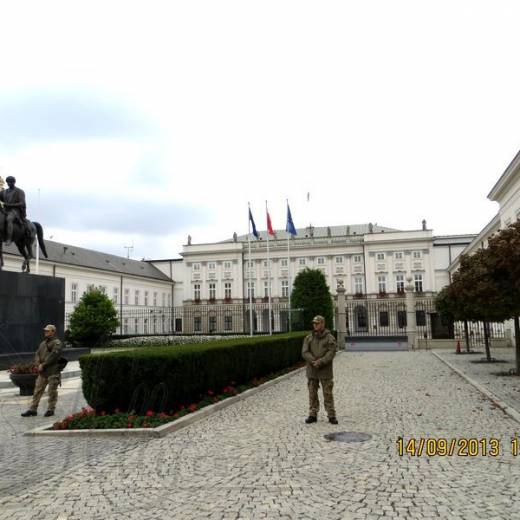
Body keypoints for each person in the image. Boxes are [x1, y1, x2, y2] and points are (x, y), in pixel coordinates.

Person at [301, 315, 338, 424]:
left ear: (322, 324)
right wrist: (313, 361)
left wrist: (321, 361)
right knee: (312, 393)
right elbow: (304, 351)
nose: (315, 325)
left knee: (327, 393)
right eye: (314, 323)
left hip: (325, 370)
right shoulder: (309, 338)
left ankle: (331, 415)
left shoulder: (329, 338)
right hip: (312, 370)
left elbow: (331, 352)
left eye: (317, 323)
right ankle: (313, 414)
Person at [21, 325, 63, 418]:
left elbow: (53, 356)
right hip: (42, 372)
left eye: (47, 331)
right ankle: (33, 409)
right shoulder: (42, 343)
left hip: (53, 371)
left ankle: (50, 409)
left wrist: (43, 365)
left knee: (52, 391)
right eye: (45, 331)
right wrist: (38, 364)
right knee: (37, 391)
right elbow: (37, 354)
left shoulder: (57, 343)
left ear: (53, 331)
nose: (45, 332)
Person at [0, 175, 27, 245]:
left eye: (11, 182)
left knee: (9, 219)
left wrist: (9, 205)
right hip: (5, 210)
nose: (9, 183)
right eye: (8, 182)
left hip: (15, 211)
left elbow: (22, 203)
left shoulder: (20, 191)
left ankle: (9, 239)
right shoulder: (4, 192)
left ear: (14, 182)